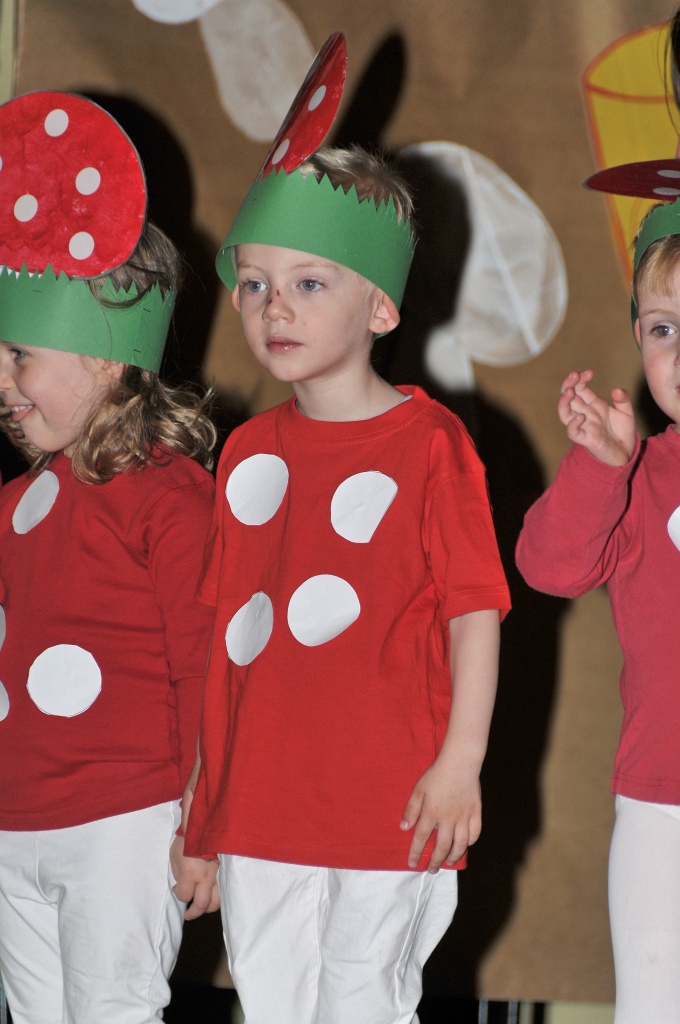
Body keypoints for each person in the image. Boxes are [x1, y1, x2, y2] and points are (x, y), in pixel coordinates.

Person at [175, 140, 510, 1024]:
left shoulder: (431, 445)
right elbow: (226, 647)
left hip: (389, 806)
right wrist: (202, 809)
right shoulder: (245, 453)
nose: (274, 306)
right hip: (260, 809)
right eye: (255, 283)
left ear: (381, 308)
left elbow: (474, 613)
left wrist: (461, 763)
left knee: (363, 1004)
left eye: (310, 282)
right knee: (272, 1005)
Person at [0, 91, 217, 1024]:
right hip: (14, 825)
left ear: (108, 360)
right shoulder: (16, 506)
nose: (1, 382)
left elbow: (206, 665)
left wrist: (204, 819)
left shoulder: (170, 496)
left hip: (123, 823)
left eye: (19, 355)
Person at [516, 198, 680, 1024]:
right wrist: (599, 469)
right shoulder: (638, 472)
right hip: (662, 802)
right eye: (664, 328)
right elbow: (549, 568)